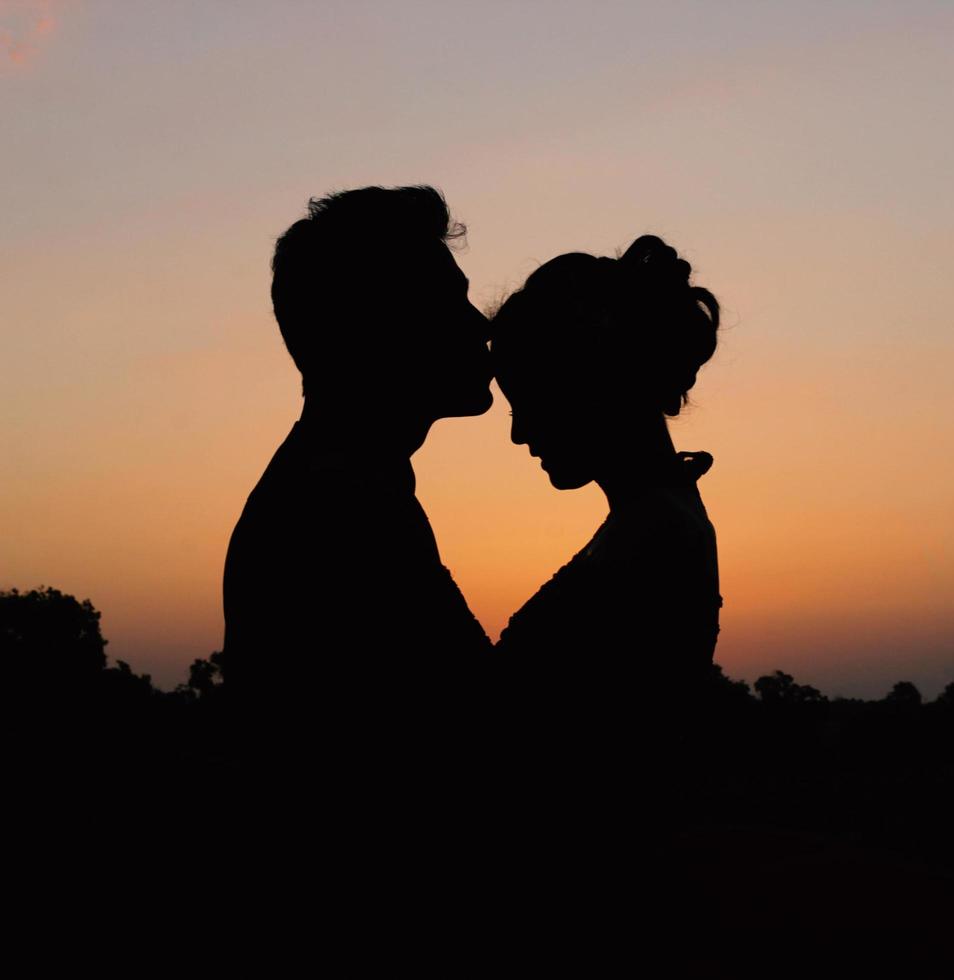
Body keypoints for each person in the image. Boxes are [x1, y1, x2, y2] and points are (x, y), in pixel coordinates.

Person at [222, 185, 496, 790]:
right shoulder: (340, 509)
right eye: (451, 302)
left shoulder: (342, 482)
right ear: (380, 324)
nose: (482, 327)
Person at [486, 235, 723, 927]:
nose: (519, 434)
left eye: (527, 400)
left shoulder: (654, 533)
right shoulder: (656, 519)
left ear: (589, 385)